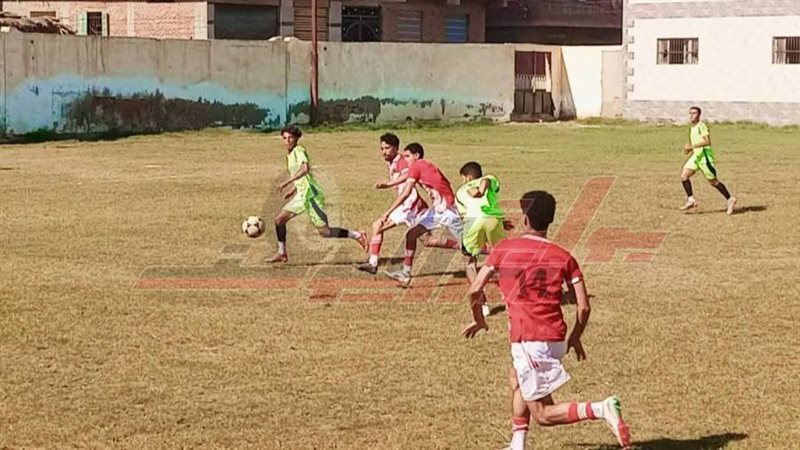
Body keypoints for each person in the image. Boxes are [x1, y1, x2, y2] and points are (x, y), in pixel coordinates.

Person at [463, 191, 631, 450]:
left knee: (543, 413)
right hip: (554, 337)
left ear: (525, 219)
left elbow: (475, 289)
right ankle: (517, 444)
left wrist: (479, 320)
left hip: (530, 339)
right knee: (515, 378)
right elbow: (583, 307)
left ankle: (601, 408)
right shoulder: (564, 256)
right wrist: (575, 337)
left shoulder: (503, 249)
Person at [267, 125, 367, 263]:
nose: (288, 140)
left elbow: (305, 169)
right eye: (285, 138)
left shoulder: (299, 150)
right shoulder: (289, 155)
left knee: (325, 232)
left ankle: (356, 235)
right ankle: (281, 252)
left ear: (296, 138)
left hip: (312, 196)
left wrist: (286, 182)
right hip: (302, 195)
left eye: (290, 137)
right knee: (279, 220)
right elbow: (304, 177)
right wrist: (293, 190)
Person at [380, 143, 463, 286]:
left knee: (470, 246)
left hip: (448, 211)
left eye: (407, 156)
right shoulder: (426, 165)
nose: (405, 159)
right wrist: (389, 184)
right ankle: (405, 274)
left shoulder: (416, 166)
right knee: (411, 234)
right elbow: (444, 182)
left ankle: (499, 255)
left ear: (416, 156)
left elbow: (406, 193)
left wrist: (387, 213)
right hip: (438, 210)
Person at [355, 133, 428, 274]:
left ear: (395, 148)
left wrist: (389, 184)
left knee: (378, 225)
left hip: (410, 205)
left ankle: (373, 263)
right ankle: (373, 263)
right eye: (382, 148)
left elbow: (408, 174)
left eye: (387, 148)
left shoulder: (401, 161)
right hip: (408, 206)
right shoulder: (392, 162)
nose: (384, 152)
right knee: (428, 240)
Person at [680, 106, 737, 214]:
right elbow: (698, 143)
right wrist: (690, 151)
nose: (691, 115)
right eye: (690, 113)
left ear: (699, 115)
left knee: (713, 182)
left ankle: (730, 199)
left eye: (694, 113)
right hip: (697, 157)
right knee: (684, 176)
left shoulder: (702, 126)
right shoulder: (692, 127)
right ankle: (691, 200)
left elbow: (707, 142)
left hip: (705, 158)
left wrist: (692, 147)